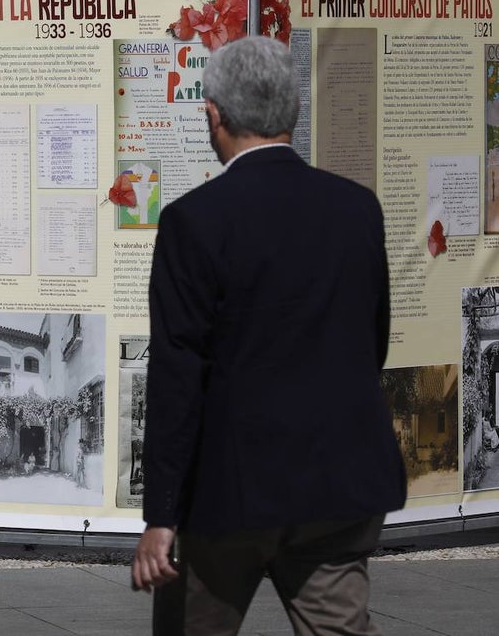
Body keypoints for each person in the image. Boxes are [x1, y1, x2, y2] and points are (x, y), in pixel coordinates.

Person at [131, 36, 405, 634]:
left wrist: (161, 517)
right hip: (337, 481)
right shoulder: (358, 209)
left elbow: (178, 375)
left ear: (214, 114)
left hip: (230, 491)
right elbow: (372, 342)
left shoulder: (193, 221)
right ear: (294, 111)